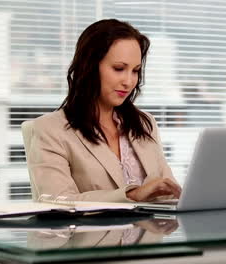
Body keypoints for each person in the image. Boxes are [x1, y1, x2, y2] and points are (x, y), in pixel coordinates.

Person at [25, 19, 181, 202]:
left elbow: (169, 191)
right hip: (90, 231)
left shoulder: (145, 123)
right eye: (119, 68)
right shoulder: (49, 129)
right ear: (90, 67)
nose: (129, 81)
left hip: (150, 230)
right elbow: (57, 201)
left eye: (135, 71)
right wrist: (132, 195)